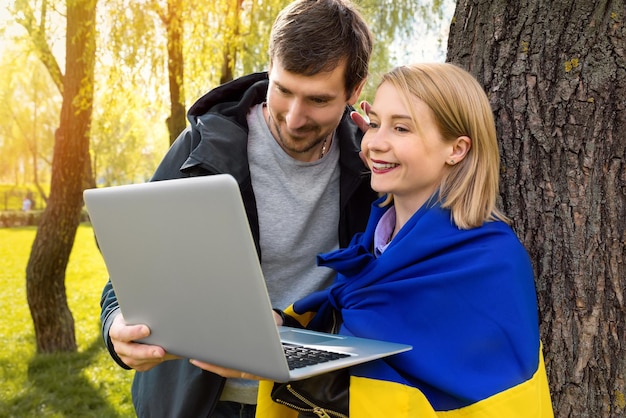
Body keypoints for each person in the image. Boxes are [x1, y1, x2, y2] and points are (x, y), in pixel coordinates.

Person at [198, 63, 554, 417]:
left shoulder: (488, 263)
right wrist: (281, 330)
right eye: (374, 124)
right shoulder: (374, 242)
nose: (374, 143)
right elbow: (353, 348)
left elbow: (455, 403)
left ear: (456, 149)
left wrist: (282, 366)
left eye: (401, 128)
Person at [99, 0, 377, 416]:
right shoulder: (203, 148)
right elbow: (133, 273)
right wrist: (115, 326)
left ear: (355, 91)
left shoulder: (372, 165)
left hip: (311, 401)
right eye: (283, 90)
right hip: (201, 402)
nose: (294, 118)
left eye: (318, 100)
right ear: (270, 66)